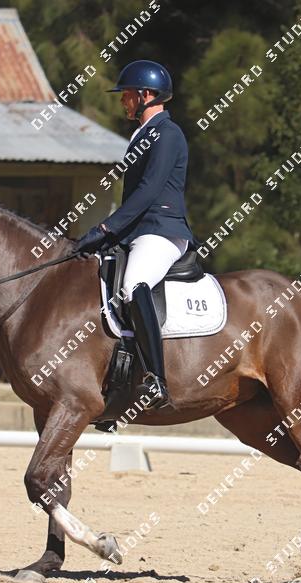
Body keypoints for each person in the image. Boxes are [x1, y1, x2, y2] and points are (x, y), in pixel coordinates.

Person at [76, 60, 195, 410]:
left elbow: (149, 190)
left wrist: (106, 228)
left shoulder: (168, 133)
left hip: (162, 229)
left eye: (126, 95)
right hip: (140, 231)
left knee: (133, 284)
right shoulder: (142, 133)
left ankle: (157, 380)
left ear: (145, 95)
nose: (122, 101)